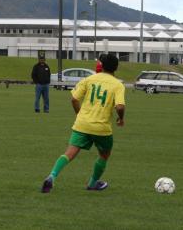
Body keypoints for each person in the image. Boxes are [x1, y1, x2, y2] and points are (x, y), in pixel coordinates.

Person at [41, 54, 125, 193]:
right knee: (104, 155)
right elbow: (120, 106)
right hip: (101, 127)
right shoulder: (117, 85)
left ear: (101, 66)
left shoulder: (89, 79)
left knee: (69, 153)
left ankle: (52, 176)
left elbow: (74, 99)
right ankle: (92, 183)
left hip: (82, 124)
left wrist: (79, 114)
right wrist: (121, 118)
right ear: (116, 68)